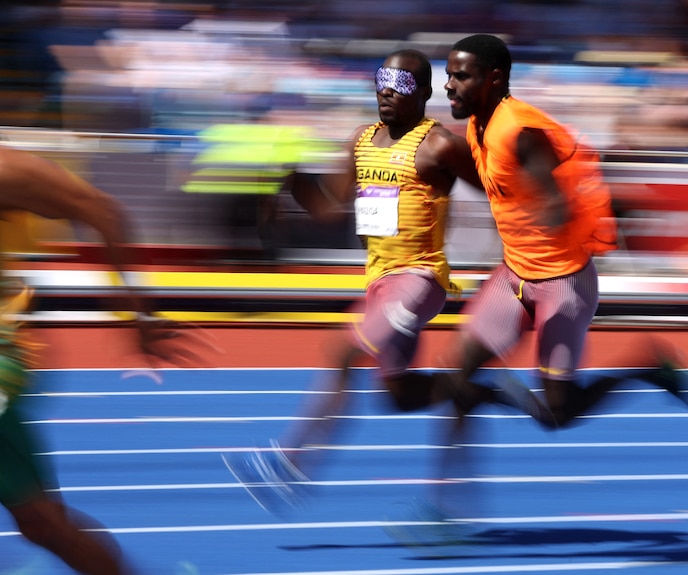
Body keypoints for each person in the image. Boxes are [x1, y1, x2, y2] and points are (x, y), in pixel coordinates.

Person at [221, 48, 504, 515]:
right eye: (382, 79)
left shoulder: (440, 145)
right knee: (399, 396)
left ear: (426, 93)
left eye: (403, 84)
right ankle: (477, 391)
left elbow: (499, 194)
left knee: (343, 350)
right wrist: (289, 183)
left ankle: (290, 464)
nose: (388, 90)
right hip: (378, 283)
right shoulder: (361, 140)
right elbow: (329, 209)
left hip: (418, 279)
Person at [440, 34, 688, 439]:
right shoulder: (478, 124)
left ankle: (647, 366)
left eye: (460, 76)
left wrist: (552, 208)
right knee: (459, 374)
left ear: (493, 79)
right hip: (514, 275)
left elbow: (555, 199)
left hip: (562, 285)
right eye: (448, 75)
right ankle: (449, 498)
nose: (448, 85)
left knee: (556, 415)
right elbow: (493, 180)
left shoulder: (521, 132)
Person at [0, 146, 202, 575]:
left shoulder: (7, 170)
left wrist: (138, 314)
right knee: (42, 523)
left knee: (42, 522)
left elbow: (103, 212)